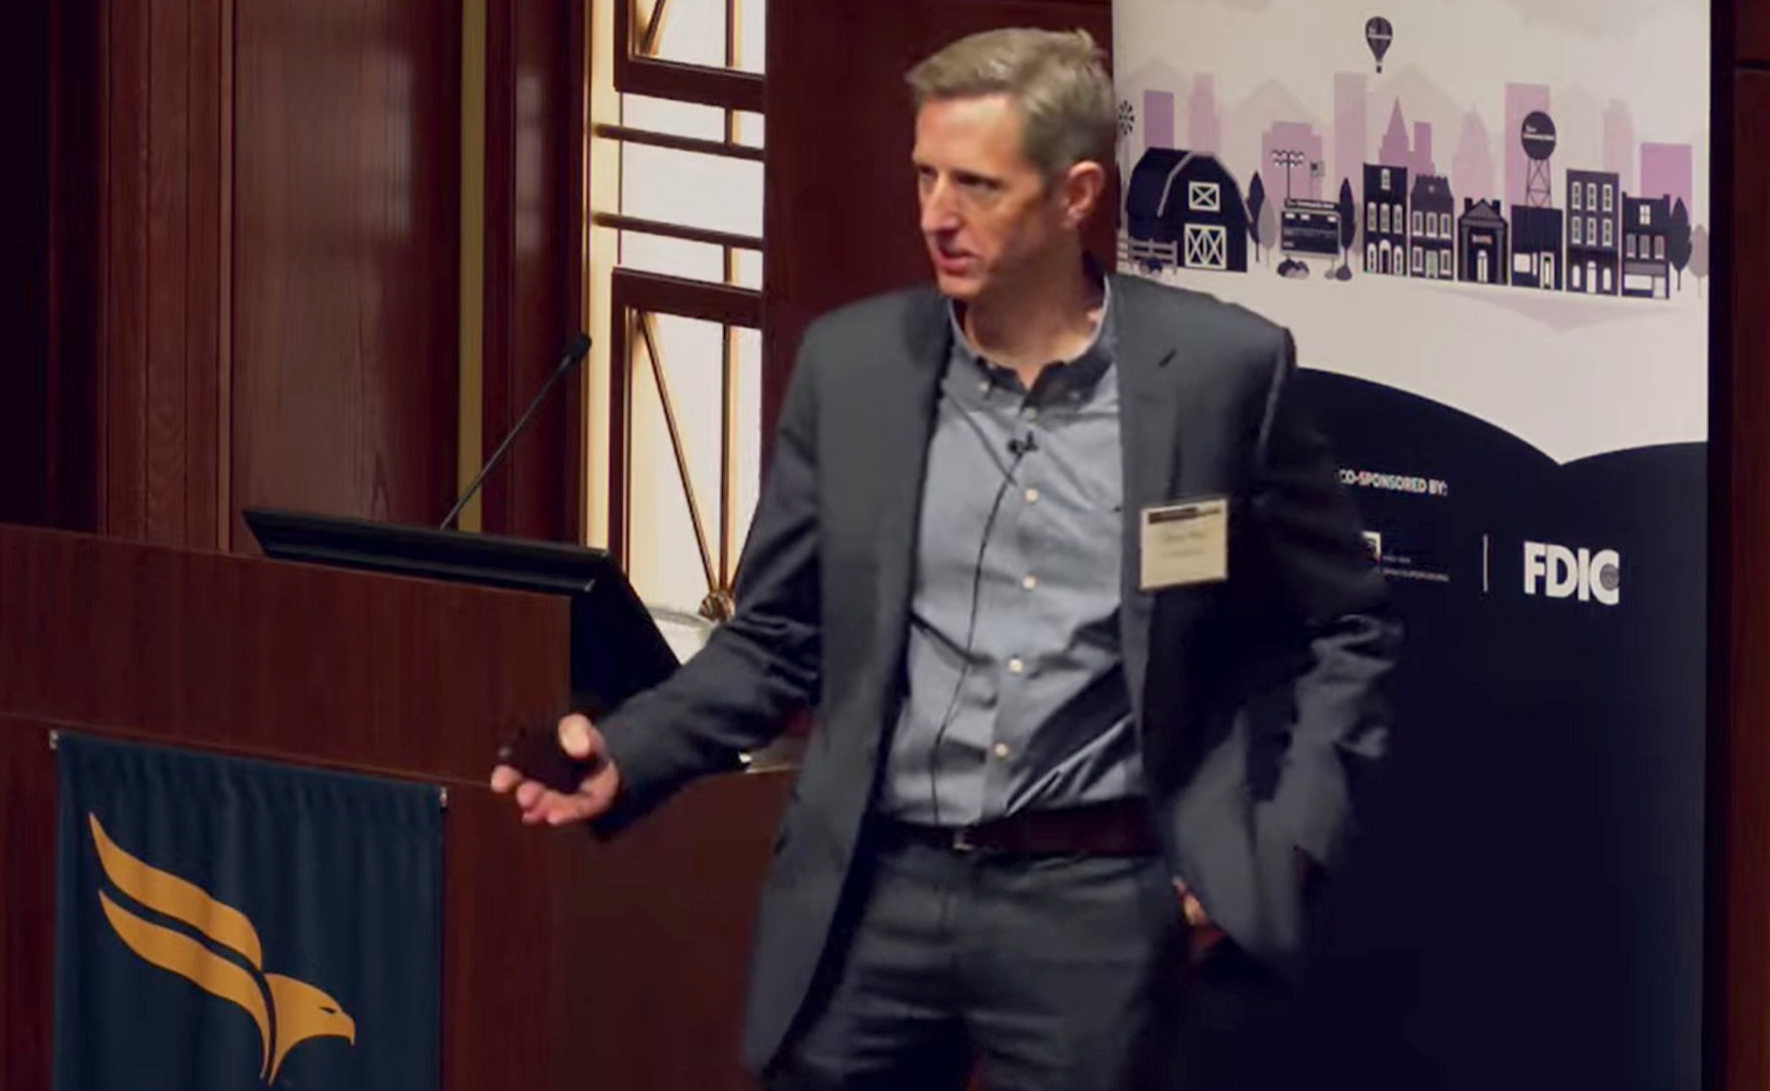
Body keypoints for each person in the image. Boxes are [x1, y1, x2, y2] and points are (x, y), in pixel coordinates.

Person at [491, 26, 1399, 1091]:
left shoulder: (1218, 374)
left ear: (1075, 195)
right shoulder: (854, 364)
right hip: (872, 895)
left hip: (1093, 902)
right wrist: (626, 749)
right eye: (923, 174)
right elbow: (778, 638)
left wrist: (1274, 852)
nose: (934, 213)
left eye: (975, 184)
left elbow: (1348, 626)